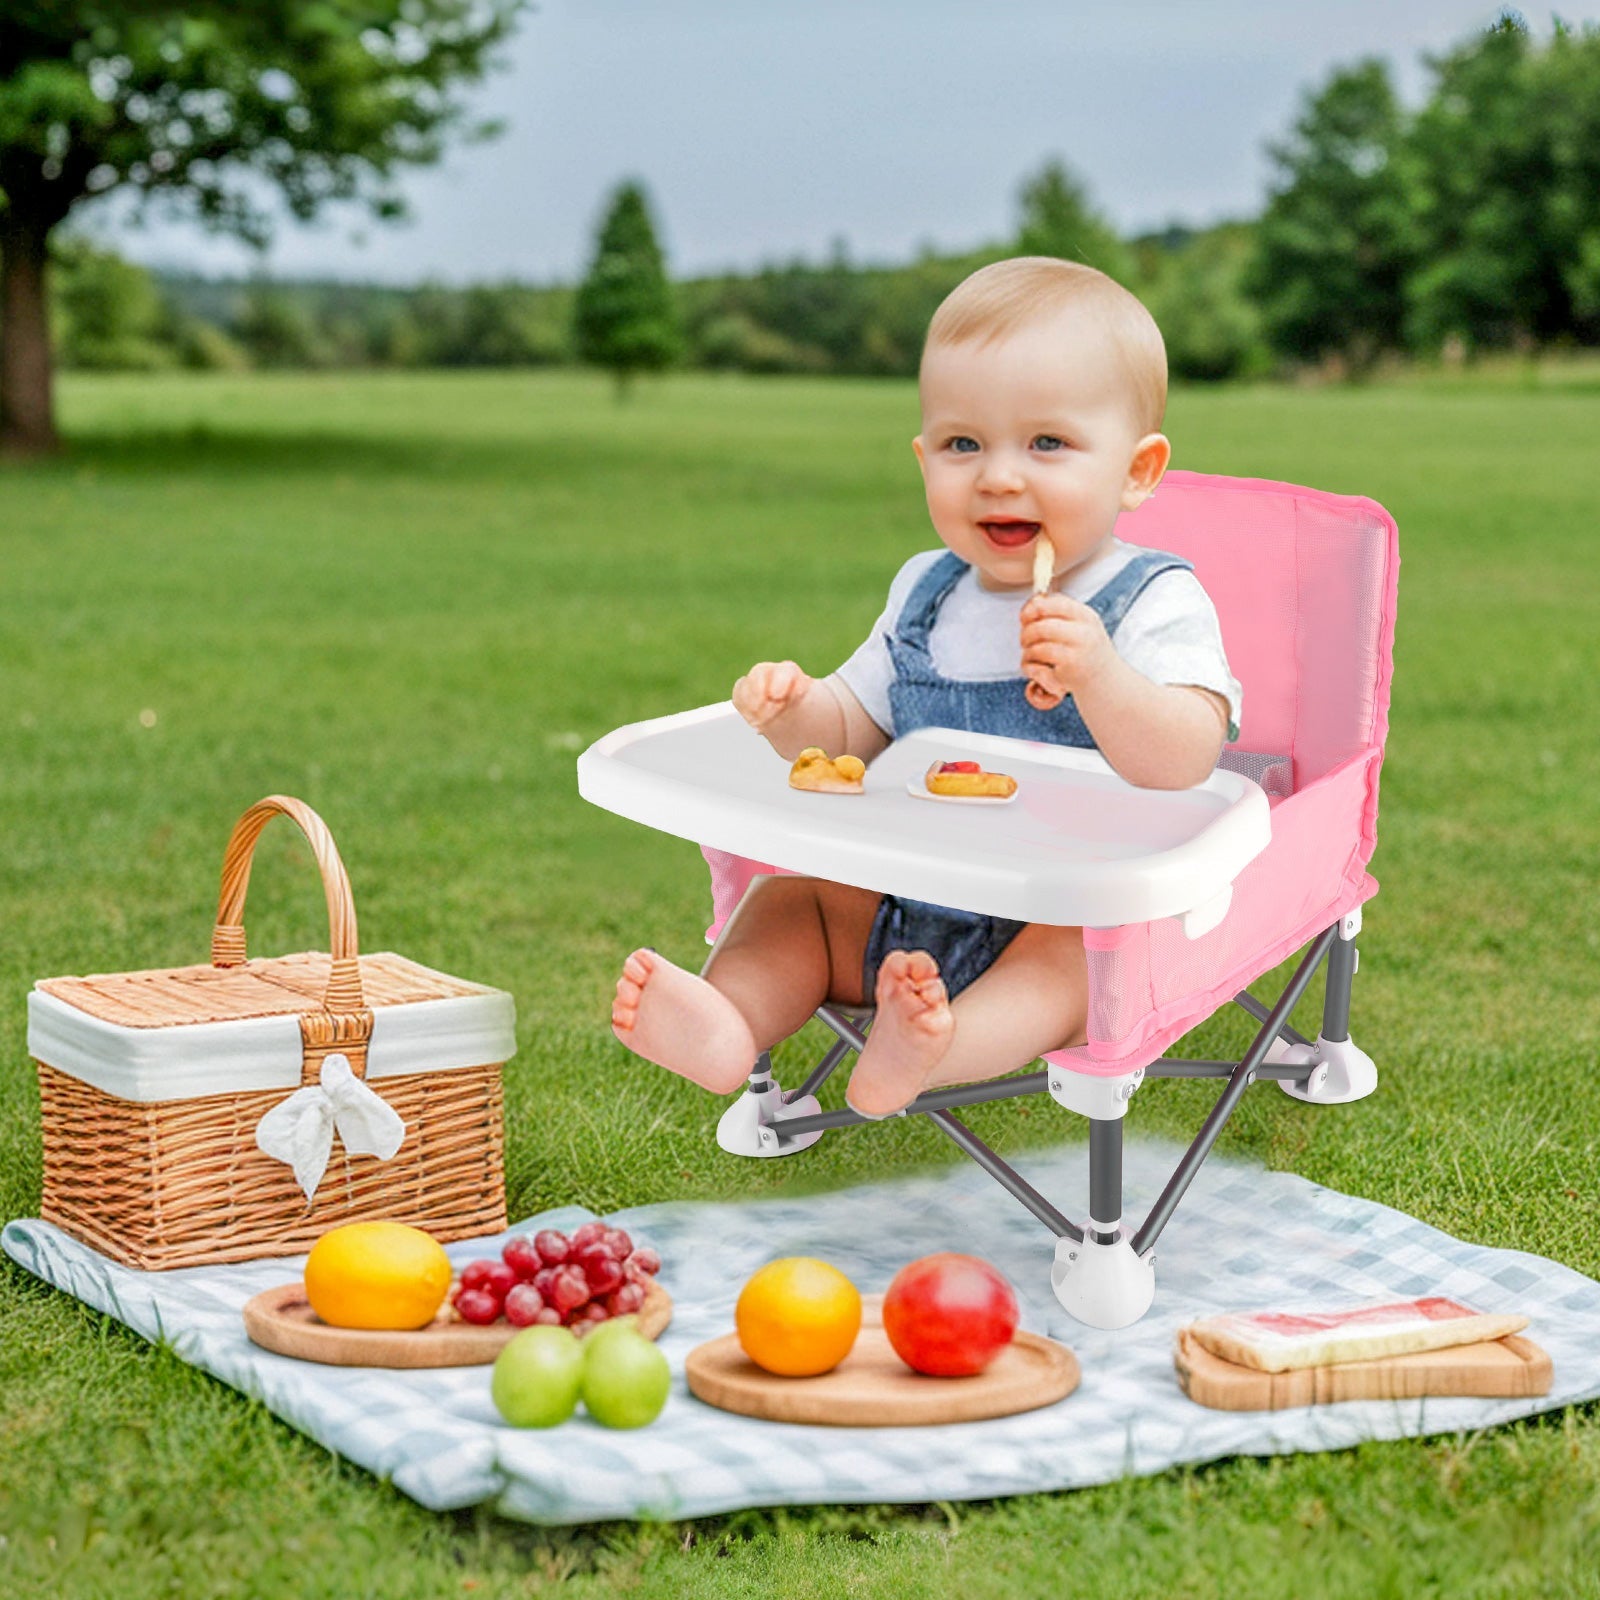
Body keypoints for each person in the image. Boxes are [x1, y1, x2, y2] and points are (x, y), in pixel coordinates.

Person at [612, 257, 1242, 1117]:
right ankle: (731, 1022)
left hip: (1053, 911)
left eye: (1047, 443)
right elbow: (851, 735)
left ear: (1138, 470)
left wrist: (1100, 675)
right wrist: (794, 710)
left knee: (1074, 963)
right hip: (900, 900)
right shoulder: (926, 592)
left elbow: (1187, 757)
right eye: (962, 445)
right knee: (792, 896)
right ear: (924, 459)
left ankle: (932, 1049)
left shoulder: (1151, 600)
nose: (999, 475)